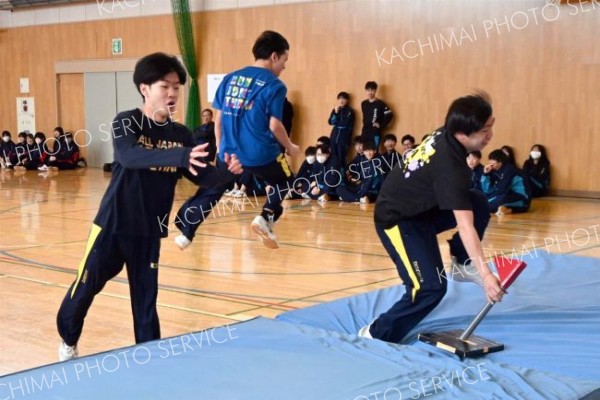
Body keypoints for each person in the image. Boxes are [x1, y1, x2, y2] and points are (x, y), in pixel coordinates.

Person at [56, 52, 242, 362]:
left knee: (146, 301)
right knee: (85, 289)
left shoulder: (181, 134)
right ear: (145, 88)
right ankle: (67, 339)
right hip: (112, 226)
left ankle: (149, 360)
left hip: (149, 231)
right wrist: (180, 157)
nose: (171, 94)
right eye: (164, 86)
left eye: (176, 88)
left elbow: (202, 176)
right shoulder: (127, 122)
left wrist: (227, 172)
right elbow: (130, 157)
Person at [359, 94, 504, 344]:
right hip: (397, 219)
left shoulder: (446, 134)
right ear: (462, 133)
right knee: (430, 288)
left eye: (492, 125)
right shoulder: (452, 168)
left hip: (422, 209)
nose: (490, 135)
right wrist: (486, 274)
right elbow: (465, 226)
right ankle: (376, 333)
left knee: (478, 202)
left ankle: (461, 262)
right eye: (484, 130)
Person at [174, 30, 300, 250]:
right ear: (273, 56)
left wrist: (221, 151)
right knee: (285, 180)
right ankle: (265, 217)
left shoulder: (230, 78)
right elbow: (274, 125)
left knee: (214, 188)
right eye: (284, 60)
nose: (284, 66)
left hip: (229, 153)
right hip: (260, 153)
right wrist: (290, 146)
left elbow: (219, 120)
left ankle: (186, 233)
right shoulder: (275, 85)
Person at [481, 149, 531, 215]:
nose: (490, 162)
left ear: (500, 162)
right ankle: (506, 209)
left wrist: (487, 200)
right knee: (483, 200)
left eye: (493, 159)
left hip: (522, 199)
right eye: (490, 159)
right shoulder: (493, 171)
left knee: (485, 204)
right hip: (508, 196)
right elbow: (487, 190)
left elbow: (502, 189)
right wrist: (485, 174)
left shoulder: (509, 169)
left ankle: (505, 208)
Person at [361, 81, 393, 148]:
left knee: (374, 150)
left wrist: (381, 125)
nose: (370, 92)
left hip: (375, 132)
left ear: (375, 91)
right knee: (364, 150)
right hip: (365, 131)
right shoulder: (364, 103)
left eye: (372, 90)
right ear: (366, 91)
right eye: (368, 90)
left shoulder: (380, 103)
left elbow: (389, 114)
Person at [328, 91, 354, 166]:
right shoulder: (335, 110)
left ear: (347, 100)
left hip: (343, 138)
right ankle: (333, 175)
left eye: (344, 99)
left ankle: (342, 176)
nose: (341, 101)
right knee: (333, 157)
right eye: (339, 99)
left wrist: (336, 123)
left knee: (341, 158)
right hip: (334, 137)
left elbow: (345, 124)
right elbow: (330, 122)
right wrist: (336, 113)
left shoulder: (350, 111)